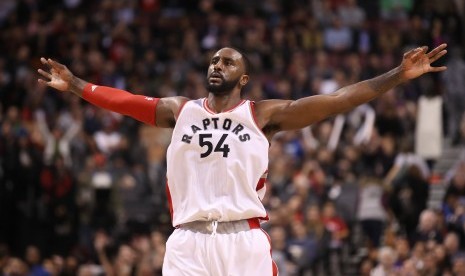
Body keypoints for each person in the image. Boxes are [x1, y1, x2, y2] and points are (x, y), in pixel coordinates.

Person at [37, 44, 448, 275]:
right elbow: (125, 102)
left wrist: (396, 75)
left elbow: (338, 100)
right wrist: (76, 85)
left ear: (244, 78)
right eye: (214, 60)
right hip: (188, 240)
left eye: (228, 61)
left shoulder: (263, 115)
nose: (218, 65)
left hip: (243, 240)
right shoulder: (180, 110)